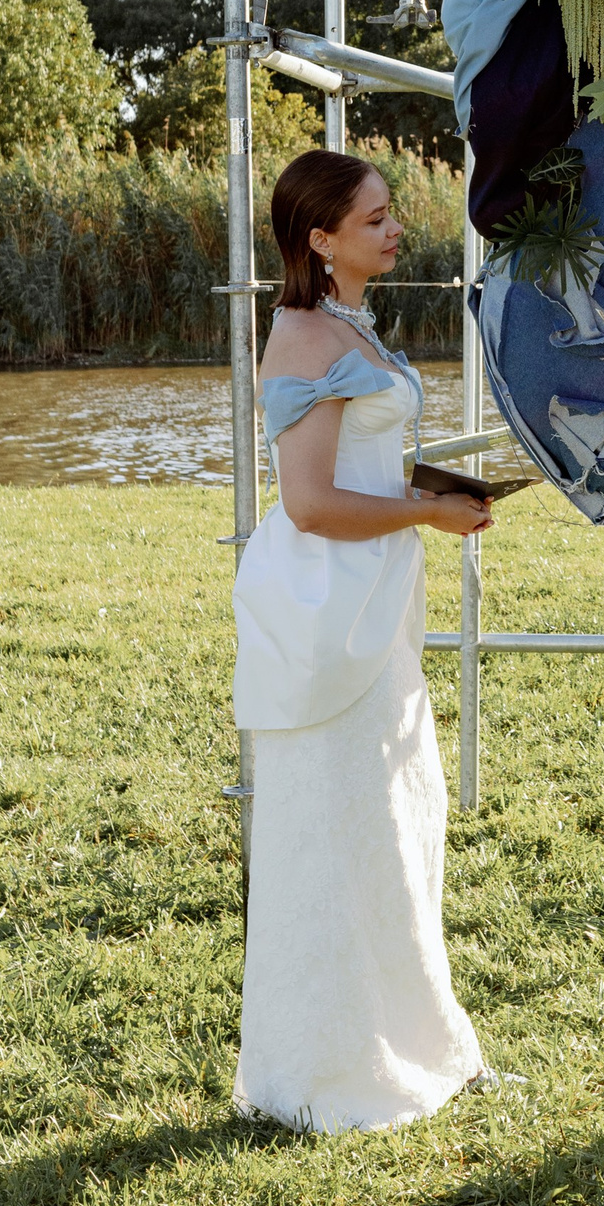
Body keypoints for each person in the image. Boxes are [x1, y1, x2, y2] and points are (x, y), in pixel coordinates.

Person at [232, 147, 494, 1132]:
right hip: (328, 608)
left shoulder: (350, 321)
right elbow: (307, 503)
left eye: (391, 214)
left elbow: (361, 465)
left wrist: (433, 494)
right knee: (340, 822)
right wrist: (426, 514)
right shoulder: (304, 335)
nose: (395, 230)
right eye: (375, 219)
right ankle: (325, 1070)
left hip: (378, 601)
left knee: (395, 815)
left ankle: (418, 1040)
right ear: (320, 237)